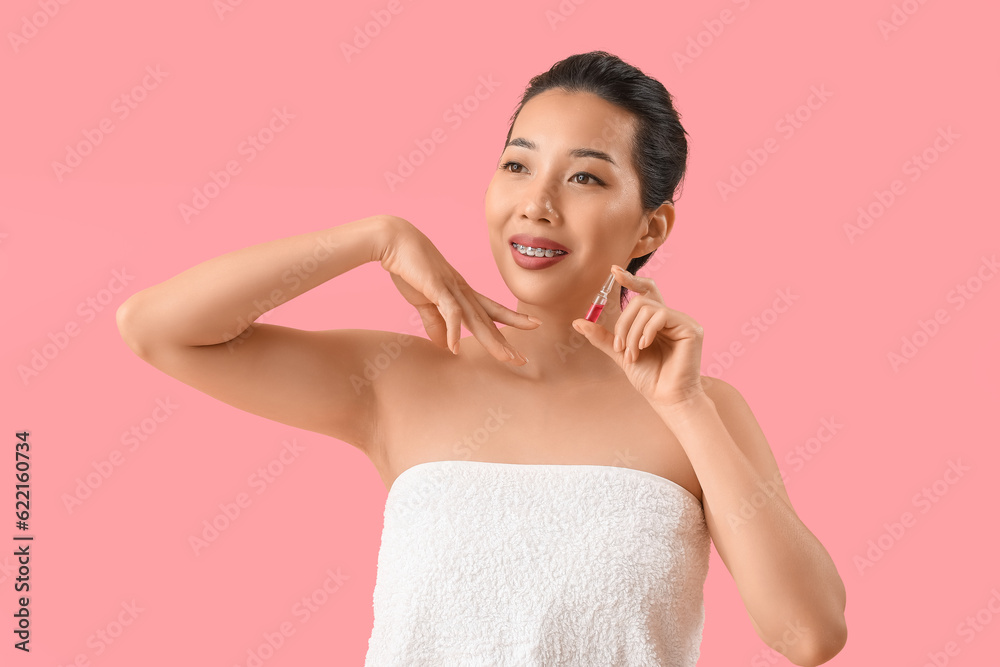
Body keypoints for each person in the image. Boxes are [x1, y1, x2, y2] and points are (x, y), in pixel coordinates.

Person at [116, 50, 847, 667]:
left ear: (650, 225)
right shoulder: (403, 379)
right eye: (517, 166)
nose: (538, 203)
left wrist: (683, 408)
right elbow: (157, 328)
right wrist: (375, 236)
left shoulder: (700, 408)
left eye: (585, 177)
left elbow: (808, 632)